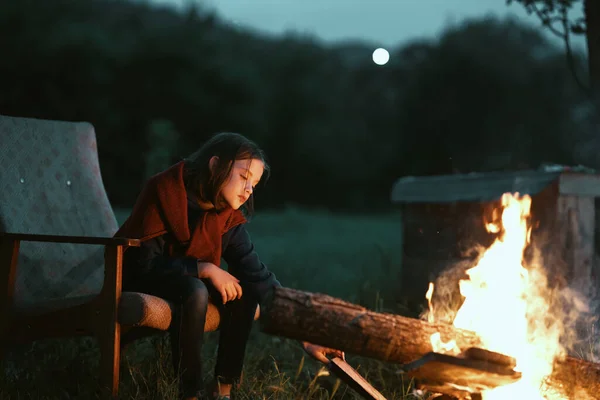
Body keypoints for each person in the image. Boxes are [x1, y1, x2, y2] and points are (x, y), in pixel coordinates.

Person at [116, 132, 344, 400]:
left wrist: (305, 333)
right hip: (139, 277)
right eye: (244, 178)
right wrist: (204, 268)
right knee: (196, 288)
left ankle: (222, 390)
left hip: (185, 283)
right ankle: (189, 393)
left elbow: (259, 277)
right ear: (215, 165)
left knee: (244, 292)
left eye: (254, 185)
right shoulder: (165, 191)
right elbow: (144, 266)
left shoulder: (226, 216)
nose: (248, 190)